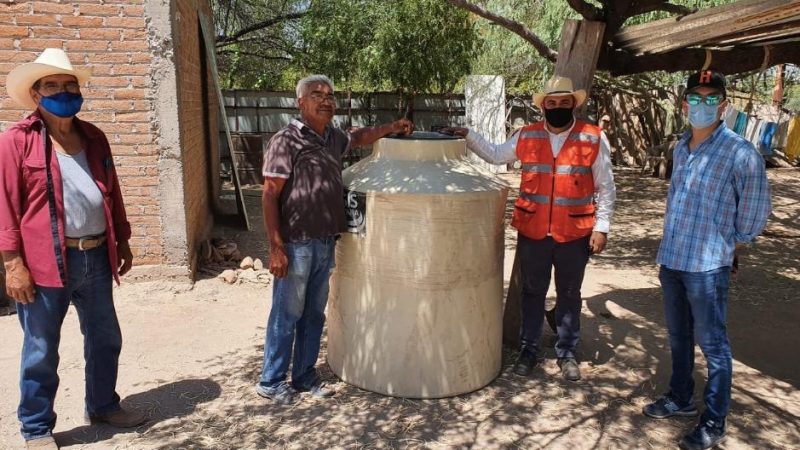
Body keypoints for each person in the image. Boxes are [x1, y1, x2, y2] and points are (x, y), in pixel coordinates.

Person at [0, 49, 145, 449]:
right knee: (41, 348)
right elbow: (5, 205)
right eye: (53, 86)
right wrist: (13, 263)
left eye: (70, 85)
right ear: (35, 94)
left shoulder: (94, 137)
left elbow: (112, 194)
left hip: (95, 256)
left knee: (105, 337)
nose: (63, 91)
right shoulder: (16, 142)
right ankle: (36, 427)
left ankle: (102, 405)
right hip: (46, 261)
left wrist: (124, 239)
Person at [442, 76, 616, 382]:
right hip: (534, 231)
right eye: (552, 103)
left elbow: (606, 188)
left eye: (564, 103)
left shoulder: (593, 137)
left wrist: (601, 228)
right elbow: (496, 154)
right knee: (532, 292)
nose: (558, 107)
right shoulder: (528, 134)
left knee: (569, 293)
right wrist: (468, 135)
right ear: (544, 106)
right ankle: (528, 350)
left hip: (574, 233)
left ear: (573, 104)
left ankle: (567, 352)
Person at [257, 75, 414, 404]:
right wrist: (275, 247)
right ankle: (271, 381)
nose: (326, 100)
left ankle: (303, 375)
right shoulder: (285, 141)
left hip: (325, 241)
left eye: (330, 95)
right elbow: (270, 195)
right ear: (301, 102)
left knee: (314, 314)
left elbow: (358, 137)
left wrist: (391, 127)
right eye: (317, 95)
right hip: (296, 243)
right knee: (287, 314)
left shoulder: (332, 137)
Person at [642, 71, 771, 450]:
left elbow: (755, 209)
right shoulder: (681, 147)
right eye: (694, 99)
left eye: (710, 98)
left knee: (714, 345)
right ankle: (680, 397)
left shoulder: (740, 153)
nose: (701, 105)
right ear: (684, 105)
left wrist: (734, 243)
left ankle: (714, 420)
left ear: (724, 105)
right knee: (679, 336)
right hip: (673, 259)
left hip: (708, 266)